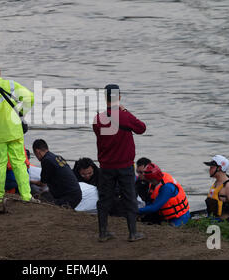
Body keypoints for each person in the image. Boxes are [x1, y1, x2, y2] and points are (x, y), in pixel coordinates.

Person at [93, 84, 146, 242]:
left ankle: (103, 233)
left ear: (105, 97)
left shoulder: (97, 119)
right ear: (119, 97)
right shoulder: (125, 116)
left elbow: (99, 134)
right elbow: (142, 128)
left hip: (106, 167)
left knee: (104, 199)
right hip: (125, 166)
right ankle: (133, 233)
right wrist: (124, 111)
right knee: (129, 198)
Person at [0, 62, 34, 203]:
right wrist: (21, 112)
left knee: (0, 164)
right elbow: (30, 97)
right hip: (15, 131)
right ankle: (26, 196)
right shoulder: (11, 85)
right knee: (19, 163)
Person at [32, 139, 82, 209]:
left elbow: (42, 184)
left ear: (37, 151)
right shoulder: (57, 157)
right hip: (76, 193)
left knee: (44, 204)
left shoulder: (46, 160)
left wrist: (29, 181)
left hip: (69, 197)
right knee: (46, 194)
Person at [204, 155, 229, 225]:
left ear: (219, 168)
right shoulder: (216, 183)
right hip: (213, 221)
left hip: (224, 223)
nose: (209, 169)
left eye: (212, 167)